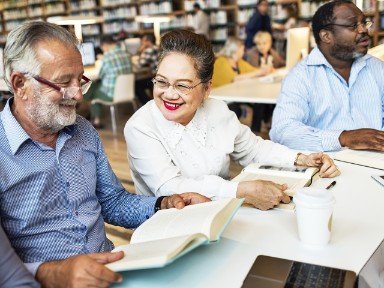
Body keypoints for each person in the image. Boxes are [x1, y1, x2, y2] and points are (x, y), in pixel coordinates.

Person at [0, 21, 210, 287]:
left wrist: (162, 204)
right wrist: (49, 273)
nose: (77, 95)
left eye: (81, 80)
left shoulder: (83, 131)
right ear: (20, 84)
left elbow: (112, 201)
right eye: (64, 83)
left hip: (113, 271)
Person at [124, 29, 340, 213]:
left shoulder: (217, 110)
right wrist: (242, 191)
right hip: (172, 225)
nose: (169, 94)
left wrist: (302, 158)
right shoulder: (140, 127)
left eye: (182, 85)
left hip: (224, 213)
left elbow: (253, 149)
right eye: (162, 82)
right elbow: (169, 188)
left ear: (207, 89)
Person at [270, 0, 384, 152]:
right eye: (353, 25)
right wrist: (343, 138)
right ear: (326, 36)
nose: (363, 30)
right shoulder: (301, 76)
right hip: (328, 166)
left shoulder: (377, 67)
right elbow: (282, 131)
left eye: (364, 23)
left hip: (376, 161)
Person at [212, 36, 273, 131]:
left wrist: (263, 70)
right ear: (234, 49)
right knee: (236, 109)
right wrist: (259, 72)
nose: (243, 52)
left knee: (259, 102)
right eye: (242, 49)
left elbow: (252, 71)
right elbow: (235, 79)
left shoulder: (238, 62)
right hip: (221, 98)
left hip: (235, 94)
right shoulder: (221, 62)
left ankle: (255, 131)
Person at [84, 34, 132, 128]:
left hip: (111, 94)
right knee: (95, 86)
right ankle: (91, 111)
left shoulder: (107, 56)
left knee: (92, 90)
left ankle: (96, 119)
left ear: (104, 45)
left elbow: (101, 75)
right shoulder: (126, 53)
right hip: (127, 91)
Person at [135, 33, 159, 105]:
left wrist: (140, 51)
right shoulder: (157, 47)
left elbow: (140, 64)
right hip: (159, 76)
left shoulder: (149, 50)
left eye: (143, 41)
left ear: (148, 41)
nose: (142, 43)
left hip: (155, 78)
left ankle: (147, 103)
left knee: (136, 85)